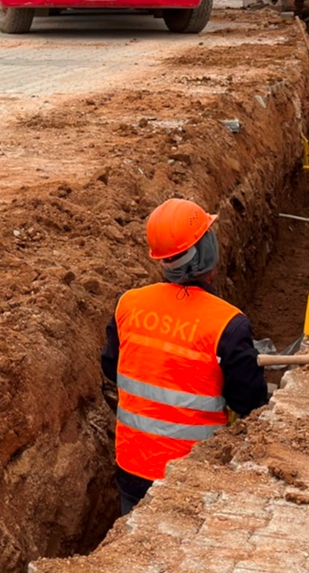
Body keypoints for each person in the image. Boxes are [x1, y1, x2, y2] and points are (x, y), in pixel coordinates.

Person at [100, 198, 268, 515]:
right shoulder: (227, 324)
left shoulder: (129, 305)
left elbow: (112, 366)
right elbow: (250, 402)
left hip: (132, 466)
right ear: (208, 252)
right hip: (192, 472)